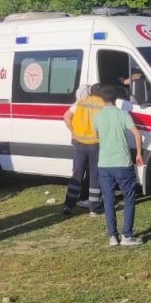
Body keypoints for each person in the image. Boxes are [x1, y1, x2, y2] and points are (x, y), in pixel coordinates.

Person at [93, 85, 145, 247]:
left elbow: (97, 135)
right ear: (116, 99)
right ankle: (127, 235)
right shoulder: (123, 114)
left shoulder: (97, 117)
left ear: (101, 99)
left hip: (104, 164)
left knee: (108, 200)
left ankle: (112, 236)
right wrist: (138, 154)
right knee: (129, 198)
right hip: (122, 162)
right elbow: (137, 134)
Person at [62, 84, 105, 217]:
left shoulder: (80, 102)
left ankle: (69, 205)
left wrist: (73, 131)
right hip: (95, 144)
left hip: (79, 143)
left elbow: (66, 116)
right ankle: (94, 208)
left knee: (77, 174)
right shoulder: (103, 104)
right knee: (94, 176)